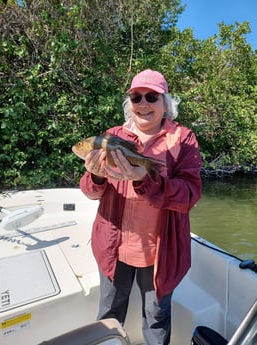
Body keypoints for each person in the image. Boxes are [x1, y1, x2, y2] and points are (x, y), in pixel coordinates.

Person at [79, 69, 202, 345]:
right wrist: (96, 175)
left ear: (165, 103)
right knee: (109, 315)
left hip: (161, 252)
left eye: (151, 97)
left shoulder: (183, 139)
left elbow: (191, 194)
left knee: (156, 319)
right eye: (136, 97)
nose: (143, 103)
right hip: (114, 247)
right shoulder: (111, 136)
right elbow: (89, 191)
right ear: (129, 103)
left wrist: (144, 179)